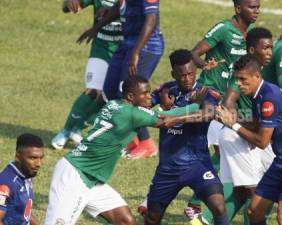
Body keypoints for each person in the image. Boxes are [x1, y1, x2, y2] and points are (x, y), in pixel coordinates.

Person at [43, 76, 182, 225]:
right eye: (145, 93)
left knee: (125, 221)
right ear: (130, 96)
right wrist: (198, 107)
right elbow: (167, 120)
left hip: (91, 179)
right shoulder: (132, 114)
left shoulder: (114, 104)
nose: (150, 96)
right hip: (75, 177)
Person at [217, 55, 282, 225]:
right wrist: (230, 119)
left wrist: (233, 124)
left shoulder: (269, 97)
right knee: (254, 211)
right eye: (237, 79)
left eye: (243, 79)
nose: (239, 84)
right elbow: (258, 125)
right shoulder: (258, 95)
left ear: (257, 76)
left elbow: (262, 142)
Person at [187, 0, 260, 217]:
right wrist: (204, 66)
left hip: (230, 100)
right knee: (221, 151)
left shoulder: (252, 35)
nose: (257, 11)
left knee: (222, 153)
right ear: (238, 8)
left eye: (258, 7)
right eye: (252, 7)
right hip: (212, 98)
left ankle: (196, 201)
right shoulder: (224, 29)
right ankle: (195, 203)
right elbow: (194, 53)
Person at [195, 27, 276, 225]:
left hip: (251, 133)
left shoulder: (258, 70)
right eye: (264, 48)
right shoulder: (244, 73)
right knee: (253, 190)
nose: (269, 52)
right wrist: (236, 122)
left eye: (271, 48)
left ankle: (205, 220)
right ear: (251, 51)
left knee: (254, 188)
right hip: (240, 135)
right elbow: (229, 101)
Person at [144, 49, 229, 225]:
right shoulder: (165, 91)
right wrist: (162, 108)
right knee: (152, 217)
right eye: (182, 75)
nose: (187, 78)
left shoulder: (206, 92)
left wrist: (173, 115)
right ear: (173, 74)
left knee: (218, 206)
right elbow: (140, 107)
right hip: (168, 168)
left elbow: (207, 114)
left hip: (197, 164)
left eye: (191, 73)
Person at [78, 0, 165, 159]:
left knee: (129, 94)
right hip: (126, 43)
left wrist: (136, 53)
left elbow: (151, 20)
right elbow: (120, 7)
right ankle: (130, 139)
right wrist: (96, 28)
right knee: (110, 91)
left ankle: (146, 143)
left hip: (146, 46)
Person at [51, 0, 123, 150]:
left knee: (109, 98)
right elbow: (68, 8)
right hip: (101, 50)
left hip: (123, 51)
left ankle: (78, 126)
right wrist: (68, 3)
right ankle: (65, 131)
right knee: (93, 91)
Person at [0, 133, 44, 225]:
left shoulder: (26, 174)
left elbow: (24, 212)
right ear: (18, 156)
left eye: (41, 158)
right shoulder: (6, 183)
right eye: (33, 158)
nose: (38, 164)